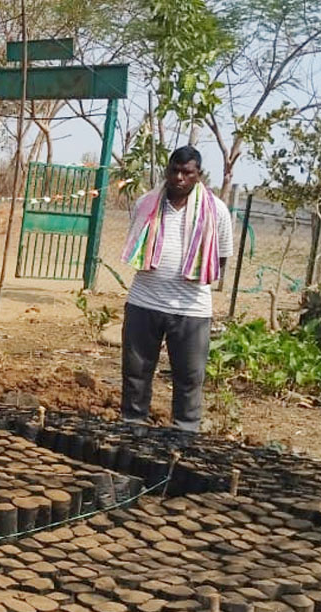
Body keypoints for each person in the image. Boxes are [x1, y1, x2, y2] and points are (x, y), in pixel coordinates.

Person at [120, 145, 233, 432]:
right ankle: (132, 428)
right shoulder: (145, 204)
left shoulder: (216, 210)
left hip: (191, 309)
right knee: (136, 373)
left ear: (198, 175)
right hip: (144, 302)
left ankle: (184, 435)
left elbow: (220, 258)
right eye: (175, 170)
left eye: (187, 172)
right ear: (167, 171)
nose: (180, 177)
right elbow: (137, 245)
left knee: (189, 377)